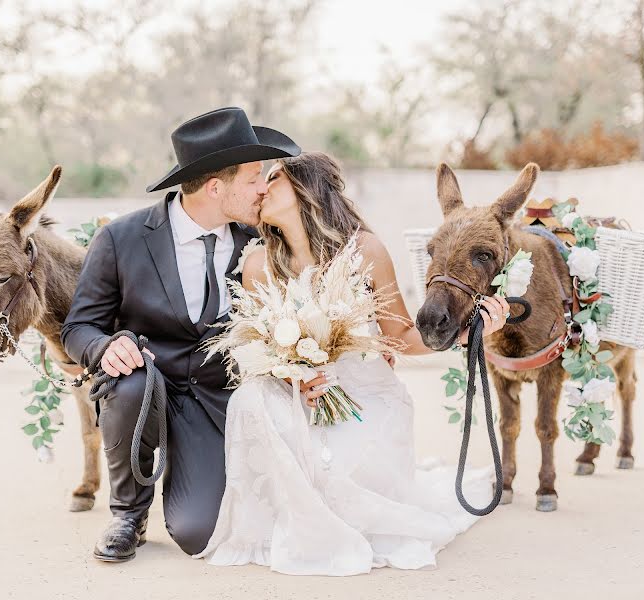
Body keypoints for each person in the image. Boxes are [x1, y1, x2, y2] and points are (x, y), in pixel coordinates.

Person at [195, 152, 510, 575]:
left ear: (308, 188)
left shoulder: (367, 251)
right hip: (299, 392)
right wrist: (295, 379)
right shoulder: (257, 265)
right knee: (250, 399)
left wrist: (471, 333)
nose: (263, 188)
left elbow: (398, 337)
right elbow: (260, 353)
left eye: (275, 178)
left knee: (343, 462)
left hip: (365, 390)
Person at [60, 107, 302, 562]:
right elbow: (78, 327)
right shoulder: (121, 238)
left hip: (214, 400)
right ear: (216, 187)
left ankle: (185, 474)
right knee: (128, 381)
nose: (263, 187)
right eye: (253, 177)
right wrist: (105, 346)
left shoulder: (263, 239)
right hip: (145, 390)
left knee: (200, 533)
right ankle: (128, 515)